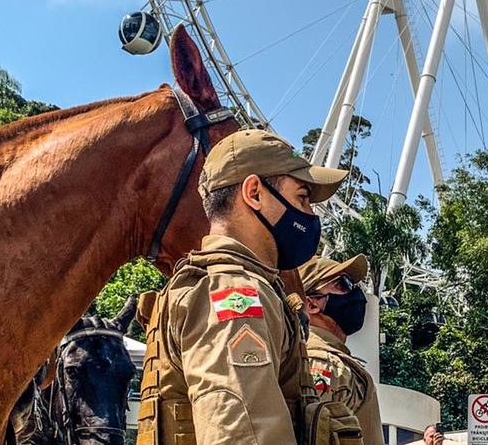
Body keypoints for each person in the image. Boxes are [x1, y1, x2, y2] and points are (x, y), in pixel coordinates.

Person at [135, 129, 348, 445]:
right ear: (254, 193)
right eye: (302, 198)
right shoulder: (234, 296)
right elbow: (244, 435)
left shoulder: (241, 288)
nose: (309, 214)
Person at [299, 254, 385, 445]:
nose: (354, 293)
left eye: (354, 286)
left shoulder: (329, 360)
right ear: (312, 303)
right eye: (342, 284)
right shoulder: (323, 363)